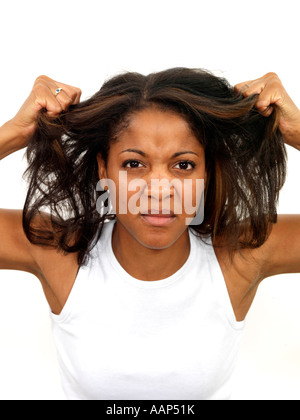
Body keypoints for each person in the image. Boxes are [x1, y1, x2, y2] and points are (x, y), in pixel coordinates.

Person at [0, 68, 299, 400]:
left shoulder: (241, 254)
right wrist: (14, 132)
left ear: (206, 172)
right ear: (104, 169)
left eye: (183, 165)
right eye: (134, 164)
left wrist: (297, 130)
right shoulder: (59, 251)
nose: (159, 190)